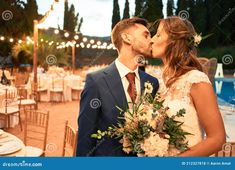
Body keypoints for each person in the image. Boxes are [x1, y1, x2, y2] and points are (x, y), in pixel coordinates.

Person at [76, 17, 159, 156]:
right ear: (127, 38)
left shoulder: (152, 83)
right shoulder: (96, 81)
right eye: (146, 35)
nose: (151, 40)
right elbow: (85, 138)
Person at [150, 16, 226, 156]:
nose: (152, 39)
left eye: (158, 34)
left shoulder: (196, 80)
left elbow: (217, 139)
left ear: (174, 41)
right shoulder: (158, 83)